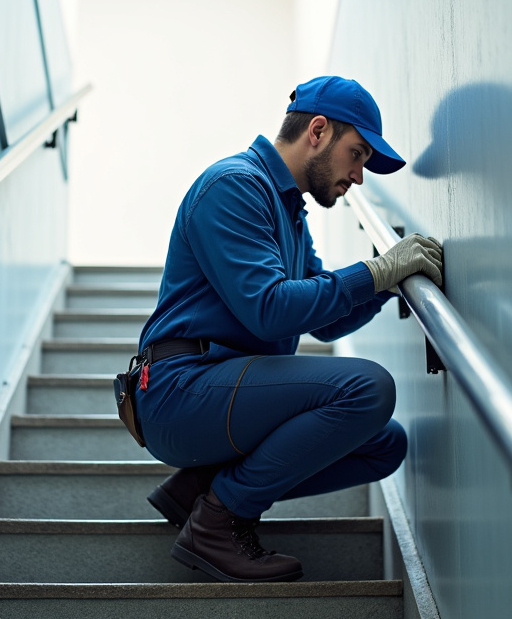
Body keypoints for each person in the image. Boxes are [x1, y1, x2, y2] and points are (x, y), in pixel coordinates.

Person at [133, 75, 444, 583]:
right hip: (180, 390)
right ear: (317, 131)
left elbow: (324, 317)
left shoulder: (288, 211)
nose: (359, 177)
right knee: (368, 388)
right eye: (358, 154)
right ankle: (218, 520)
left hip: (226, 390)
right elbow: (270, 310)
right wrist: (378, 271)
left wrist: (390, 281)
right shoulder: (233, 185)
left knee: (383, 444)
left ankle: (202, 485)